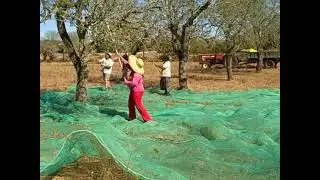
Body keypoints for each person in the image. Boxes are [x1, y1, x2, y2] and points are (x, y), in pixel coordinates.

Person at [124, 55, 152, 123]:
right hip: (134, 90)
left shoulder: (137, 75)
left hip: (137, 91)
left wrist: (126, 82)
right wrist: (119, 57)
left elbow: (134, 83)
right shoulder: (135, 72)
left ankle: (148, 119)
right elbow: (126, 63)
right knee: (130, 103)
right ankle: (132, 117)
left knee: (138, 105)